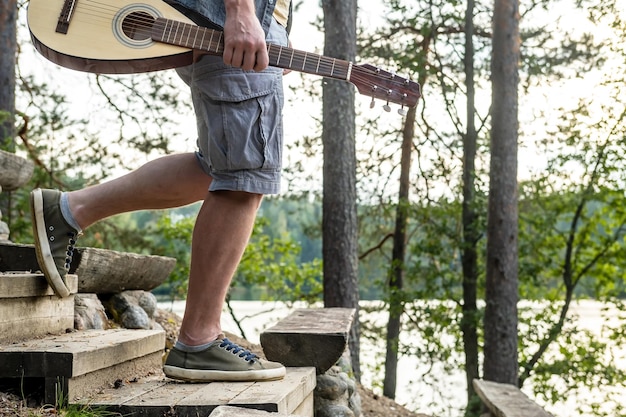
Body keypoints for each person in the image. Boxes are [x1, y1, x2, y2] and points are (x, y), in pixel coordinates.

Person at [29, 0, 291, 383]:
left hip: (237, 21)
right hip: (229, 18)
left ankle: (71, 209)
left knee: (219, 167)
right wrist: (241, 12)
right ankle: (199, 340)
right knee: (243, 174)